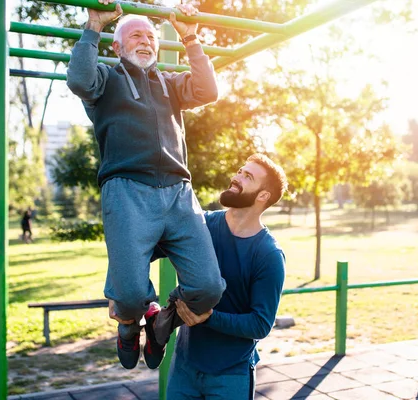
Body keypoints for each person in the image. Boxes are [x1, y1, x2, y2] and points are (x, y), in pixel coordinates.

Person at [67, 0, 226, 371]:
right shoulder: (106, 79)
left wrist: (190, 38)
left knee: (208, 289)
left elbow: (208, 90)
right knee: (130, 294)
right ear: (117, 47)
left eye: (151, 37)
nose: (146, 41)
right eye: (136, 35)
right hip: (128, 191)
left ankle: (159, 322)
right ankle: (127, 325)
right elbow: (78, 80)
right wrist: (94, 26)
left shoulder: (170, 83)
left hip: (178, 193)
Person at [156, 154, 287, 399]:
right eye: (239, 170)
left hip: (231, 374)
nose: (236, 177)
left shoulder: (268, 254)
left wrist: (208, 318)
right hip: (184, 367)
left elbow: (260, 324)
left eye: (248, 176)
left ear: (263, 196)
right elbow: (154, 244)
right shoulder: (201, 224)